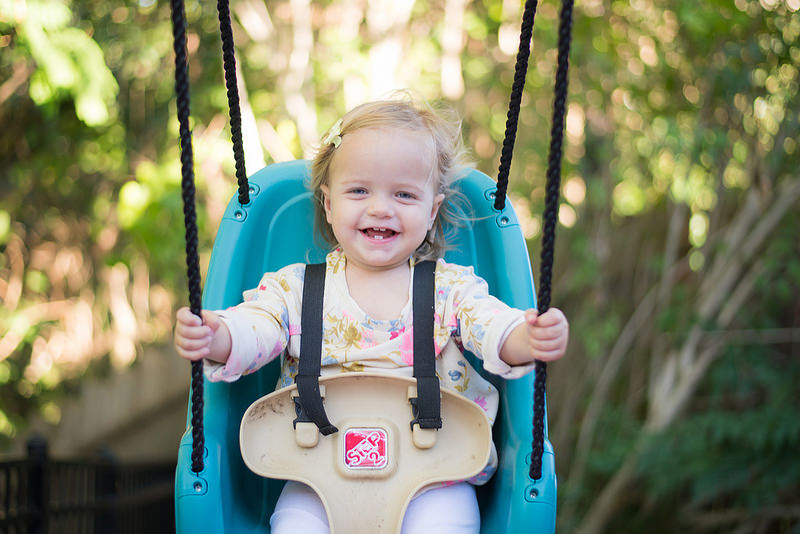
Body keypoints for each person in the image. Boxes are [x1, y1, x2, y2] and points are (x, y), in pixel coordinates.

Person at [173, 97, 569, 534]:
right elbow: (256, 328)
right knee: (294, 527)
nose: (381, 208)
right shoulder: (295, 289)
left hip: (434, 475)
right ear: (328, 204)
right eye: (359, 190)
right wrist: (218, 337)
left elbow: (491, 326)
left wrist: (526, 339)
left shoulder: (449, 288)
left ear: (431, 210)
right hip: (316, 472)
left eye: (403, 194)